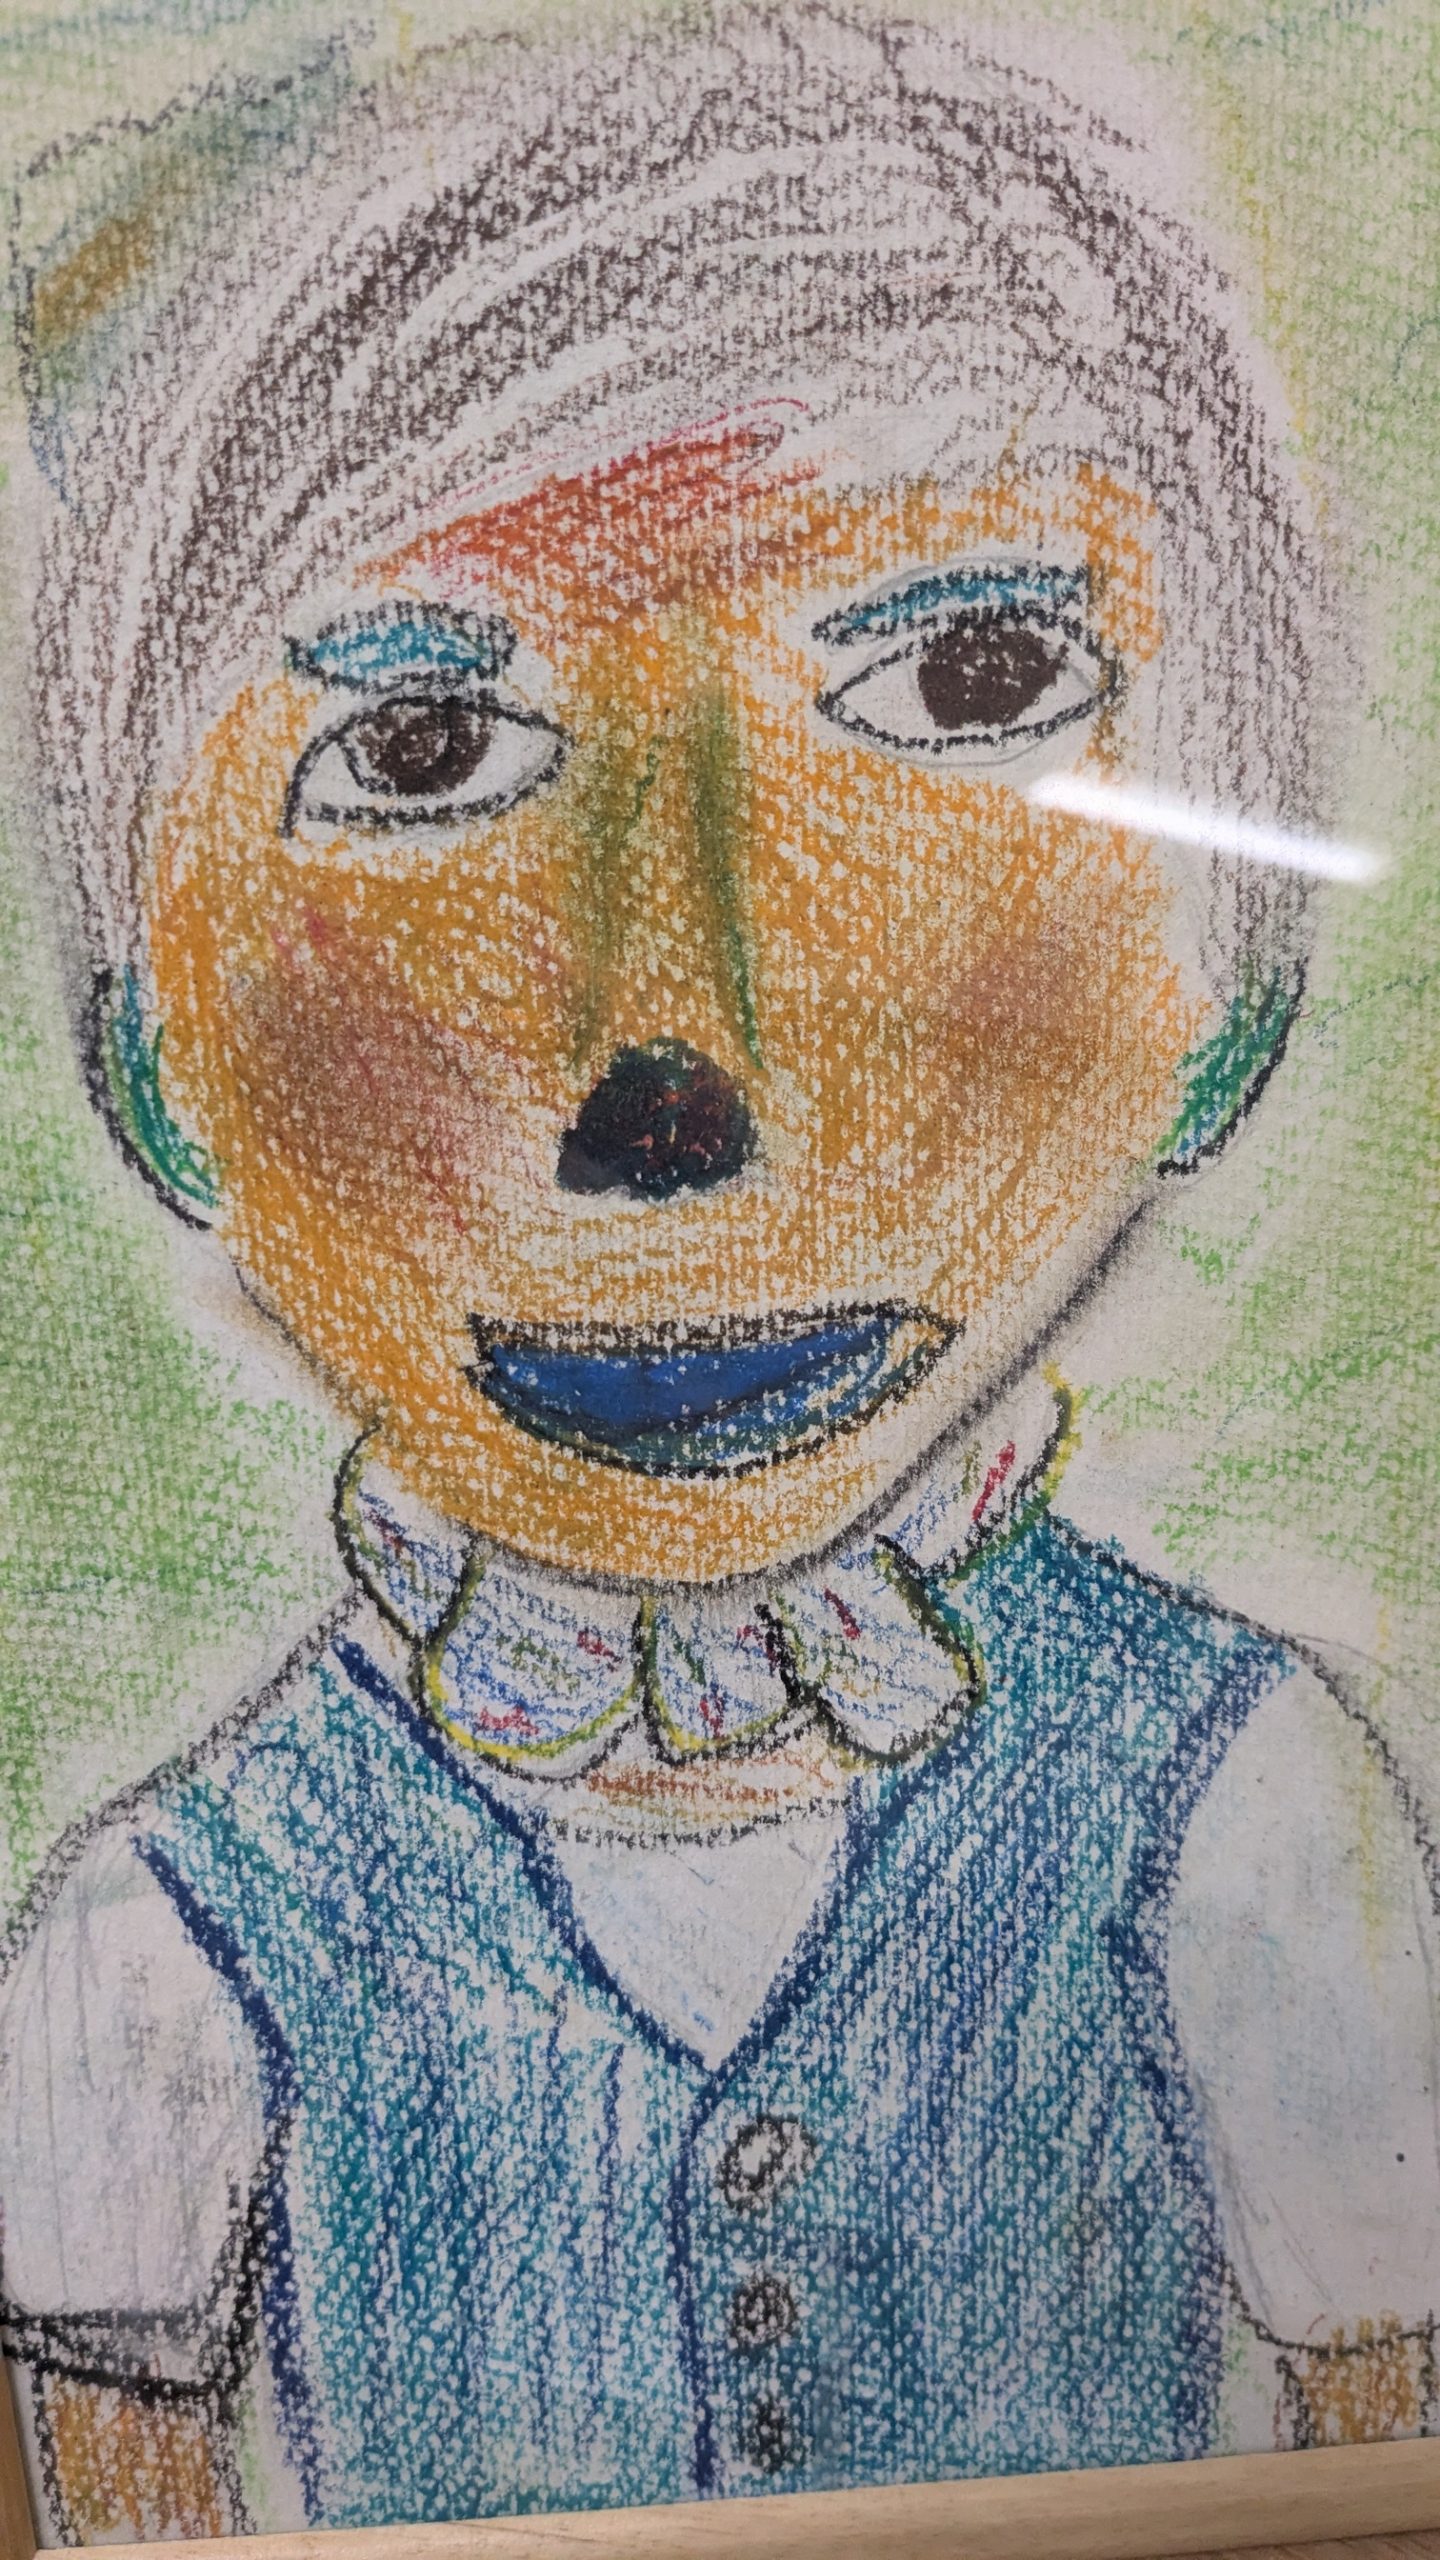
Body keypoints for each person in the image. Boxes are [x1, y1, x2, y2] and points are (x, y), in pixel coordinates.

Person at [2, 4, 1436, 2539]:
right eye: (421, 756)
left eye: (968, 678)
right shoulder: (154, 1945)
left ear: (1235, 983)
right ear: (150, 1065)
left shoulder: (1253, 1814)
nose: (676, 1075)